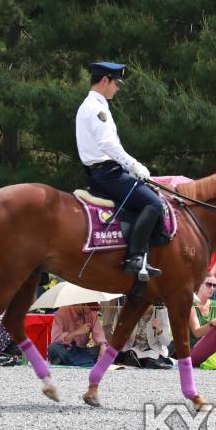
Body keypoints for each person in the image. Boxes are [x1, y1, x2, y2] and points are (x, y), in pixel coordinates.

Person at [75, 61, 163, 280]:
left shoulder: (95, 106)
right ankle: (135, 257)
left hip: (103, 171)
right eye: (116, 83)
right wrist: (133, 165)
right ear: (104, 80)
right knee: (154, 203)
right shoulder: (97, 109)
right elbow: (108, 145)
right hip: (107, 174)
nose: (118, 87)